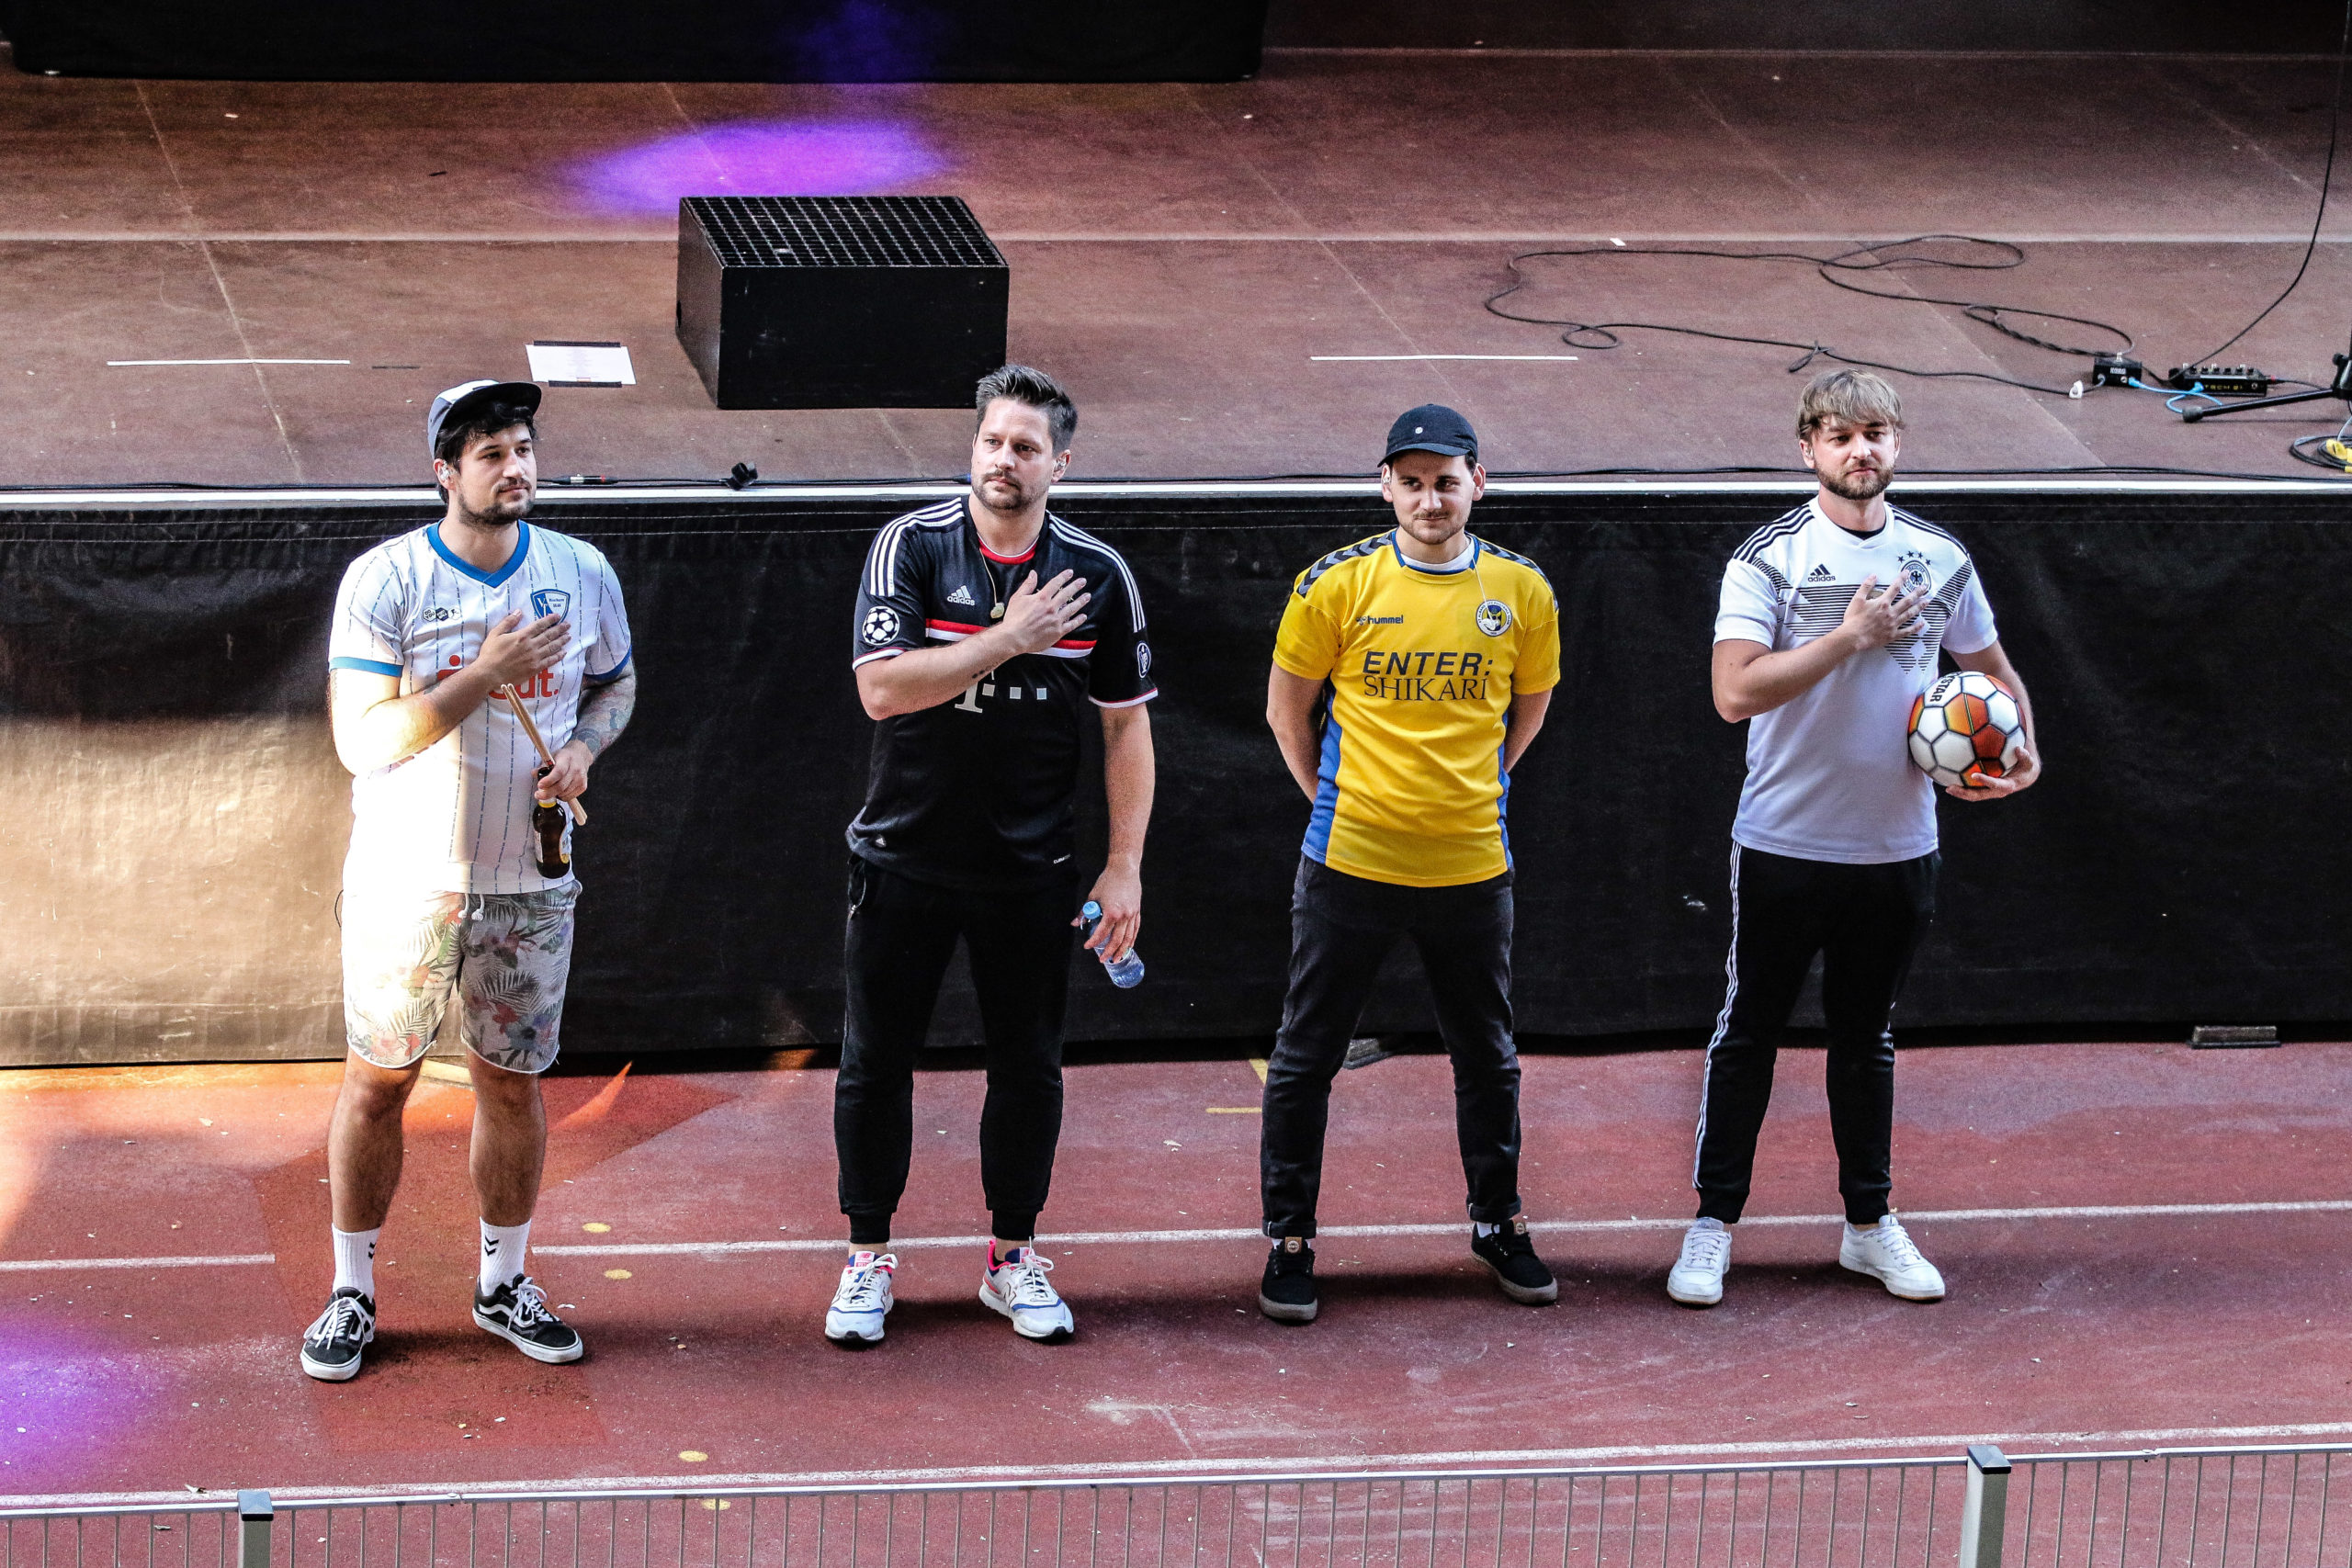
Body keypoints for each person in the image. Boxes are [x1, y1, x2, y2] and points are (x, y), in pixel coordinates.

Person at [1668, 368, 2039, 1309]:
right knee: (1749, 1032)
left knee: (1865, 1038)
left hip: (1898, 846)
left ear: (1898, 444)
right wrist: (1850, 635)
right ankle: (1713, 1226)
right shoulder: (1769, 558)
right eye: (1839, 435)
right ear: (1809, 449)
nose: (1860, 450)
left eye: (1875, 433)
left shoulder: (1939, 557)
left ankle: (1868, 1227)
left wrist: (2022, 748)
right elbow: (1732, 692)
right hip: (1785, 839)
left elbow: (1990, 668)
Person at [300, 379, 637, 1381]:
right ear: (445, 473)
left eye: (522, 448)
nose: (514, 467)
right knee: (378, 1081)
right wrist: (483, 674)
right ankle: (351, 1292)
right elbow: (364, 742)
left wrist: (583, 748)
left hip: (530, 882)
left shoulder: (580, 572)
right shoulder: (385, 580)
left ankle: (503, 1282)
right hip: (407, 881)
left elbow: (616, 682)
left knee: (512, 1083)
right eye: (490, 453)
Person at [828, 364, 1156, 1347]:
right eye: (991, 441)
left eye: (1025, 446)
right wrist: (1009, 638)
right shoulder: (913, 547)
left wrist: (1124, 864)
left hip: (1030, 874)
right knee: (874, 1065)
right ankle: (867, 1257)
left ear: (1061, 463)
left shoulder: (1097, 574)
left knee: (1028, 1068)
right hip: (904, 858)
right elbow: (882, 691)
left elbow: (1126, 728)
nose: (1003, 460)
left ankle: (1012, 1258)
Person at [1257, 403, 1561, 1325]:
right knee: (1305, 1056)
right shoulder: (1335, 584)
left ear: (1479, 483)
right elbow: (1286, 710)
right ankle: (1289, 1238)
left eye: (1447, 481)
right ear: (1385, 486)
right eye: (1414, 482)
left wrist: (1475, 787)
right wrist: (1333, 798)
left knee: (1488, 1057)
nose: (1432, 499)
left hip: (1470, 865)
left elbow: (1529, 710)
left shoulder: (1522, 590)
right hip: (1349, 859)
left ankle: (1498, 1221)